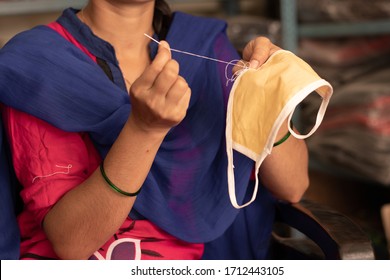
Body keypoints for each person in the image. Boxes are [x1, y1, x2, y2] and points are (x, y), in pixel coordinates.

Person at [0, 0, 308, 260]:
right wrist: (143, 130)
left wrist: (269, 92)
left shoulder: (205, 46)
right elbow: (72, 243)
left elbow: (293, 186)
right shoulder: (39, 65)